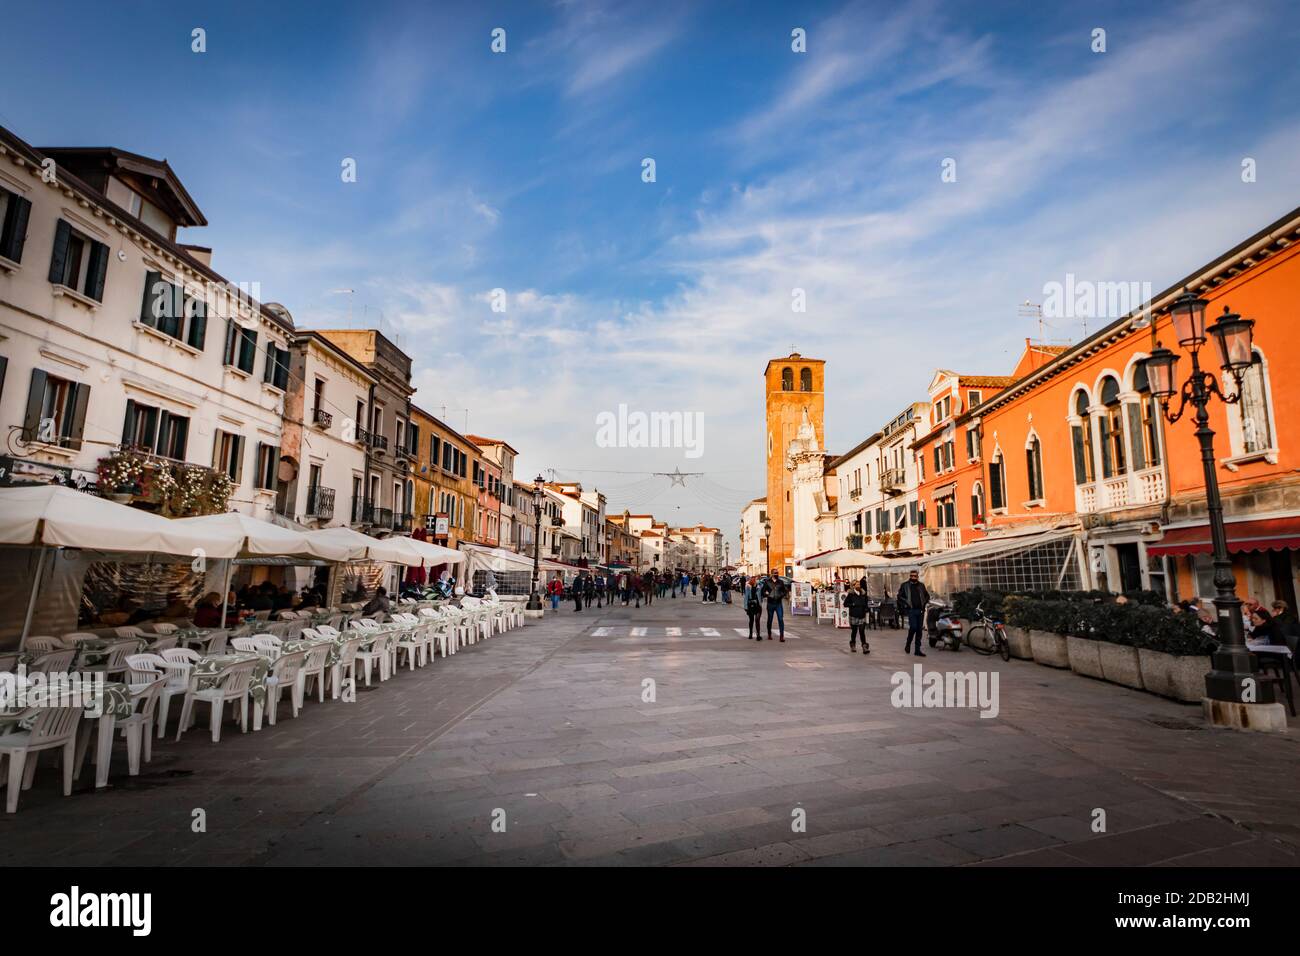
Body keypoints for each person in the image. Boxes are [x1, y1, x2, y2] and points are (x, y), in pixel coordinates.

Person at [896, 570, 929, 657]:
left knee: (919, 630)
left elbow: (927, 595)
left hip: (920, 610)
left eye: (915, 576)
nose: (913, 577)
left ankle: (917, 650)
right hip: (911, 610)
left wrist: (924, 603)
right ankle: (908, 643)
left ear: (917, 577)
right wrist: (906, 604)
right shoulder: (905, 585)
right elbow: (899, 596)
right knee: (913, 627)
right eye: (911, 576)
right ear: (910, 576)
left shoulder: (921, 585)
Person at [760, 571, 788, 641]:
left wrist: (780, 595)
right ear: (772, 574)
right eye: (775, 573)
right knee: (770, 619)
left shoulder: (780, 582)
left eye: (777, 573)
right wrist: (767, 594)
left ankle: (781, 636)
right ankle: (769, 634)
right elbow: (762, 592)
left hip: (778, 603)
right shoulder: (767, 582)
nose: (776, 574)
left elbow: (784, 591)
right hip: (770, 603)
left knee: (781, 619)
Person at [844, 581, 870, 653]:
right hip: (853, 615)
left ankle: (864, 646)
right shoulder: (851, 594)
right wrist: (852, 604)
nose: (859, 586)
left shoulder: (863, 594)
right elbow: (845, 604)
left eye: (859, 584)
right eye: (857, 584)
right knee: (854, 631)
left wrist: (866, 609)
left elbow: (866, 603)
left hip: (861, 615)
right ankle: (853, 645)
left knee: (862, 631)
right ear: (853, 586)